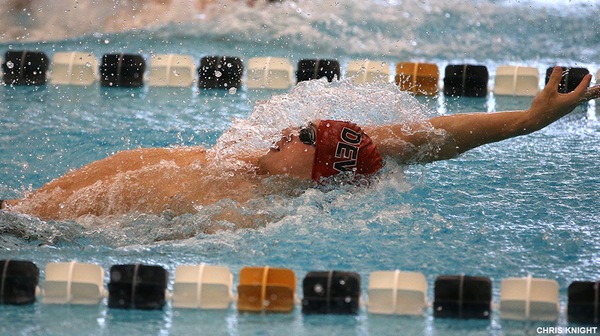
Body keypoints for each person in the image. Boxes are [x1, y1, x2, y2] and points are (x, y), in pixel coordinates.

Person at [2, 66, 599, 221]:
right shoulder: (250, 162)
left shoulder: (244, 211)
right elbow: (423, 139)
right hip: (34, 203)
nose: (293, 129)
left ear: (316, 171)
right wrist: (527, 120)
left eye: (307, 137)